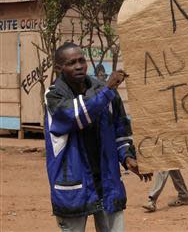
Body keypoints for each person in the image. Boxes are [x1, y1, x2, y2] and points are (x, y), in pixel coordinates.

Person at [44, 42, 152, 232]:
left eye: (81, 60)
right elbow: (78, 115)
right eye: (71, 63)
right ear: (59, 68)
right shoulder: (53, 97)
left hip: (106, 181)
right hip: (73, 188)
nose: (79, 66)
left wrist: (127, 158)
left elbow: (120, 129)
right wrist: (108, 90)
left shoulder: (103, 90)